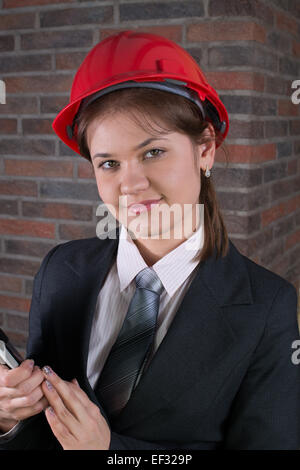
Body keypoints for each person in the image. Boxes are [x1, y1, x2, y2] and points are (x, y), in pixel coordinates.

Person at [0, 30, 299, 450]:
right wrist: (9, 418)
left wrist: (113, 454)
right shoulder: (61, 270)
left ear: (206, 149)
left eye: (153, 152)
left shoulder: (268, 307)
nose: (131, 184)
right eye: (108, 163)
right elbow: (38, 431)